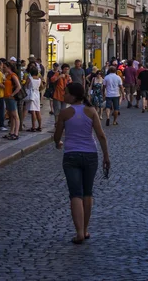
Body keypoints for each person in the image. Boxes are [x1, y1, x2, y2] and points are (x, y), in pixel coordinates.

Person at [54, 83, 110, 244]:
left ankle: (78, 232)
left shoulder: (64, 113)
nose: (64, 95)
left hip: (71, 155)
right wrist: (106, 156)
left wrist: (58, 143)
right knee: (87, 192)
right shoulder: (91, 111)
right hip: (90, 154)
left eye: (66, 93)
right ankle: (85, 230)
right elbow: (101, 136)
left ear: (73, 95)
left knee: (75, 194)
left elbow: (57, 136)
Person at [2, 61, 21, 139]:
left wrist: (12, 95)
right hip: (7, 97)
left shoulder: (13, 75)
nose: (3, 69)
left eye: (5, 67)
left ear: (9, 67)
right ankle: (11, 132)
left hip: (11, 98)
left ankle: (16, 133)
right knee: (11, 116)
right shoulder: (7, 76)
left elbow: (18, 86)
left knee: (15, 116)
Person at [26, 65, 42, 132]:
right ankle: (40, 126)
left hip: (31, 94)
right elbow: (41, 86)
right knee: (38, 110)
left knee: (33, 111)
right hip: (37, 94)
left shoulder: (30, 78)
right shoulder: (39, 79)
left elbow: (26, 86)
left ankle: (33, 126)